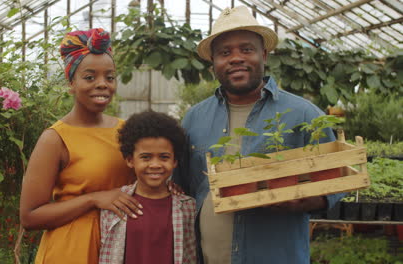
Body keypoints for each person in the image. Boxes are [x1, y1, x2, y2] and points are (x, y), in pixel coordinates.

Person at [172, 6, 345, 264]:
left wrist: (299, 199)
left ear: (263, 54)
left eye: (246, 49)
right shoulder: (194, 118)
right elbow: (184, 187)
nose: (235, 58)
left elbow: (336, 183)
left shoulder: (304, 114)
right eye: (225, 53)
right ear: (213, 63)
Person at [19, 28, 144, 264]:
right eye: (89, 77)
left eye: (109, 77)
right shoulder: (55, 138)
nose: (102, 84)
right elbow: (29, 217)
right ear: (71, 83)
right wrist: (93, 199)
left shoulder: (127, 130)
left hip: (121, 245)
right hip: (71, 249)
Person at [99, 110, 197, 264]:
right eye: (146, 157)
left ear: (175, 161)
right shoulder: (115, 203)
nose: (155, 165)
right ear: (130, 160)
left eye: (164, 157)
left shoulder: (188, 207)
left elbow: (190, 256)